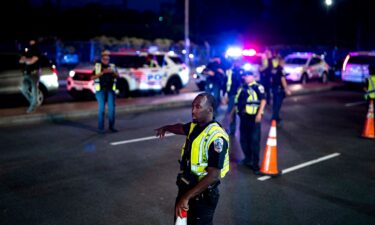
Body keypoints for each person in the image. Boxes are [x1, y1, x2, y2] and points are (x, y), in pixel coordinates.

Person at [155, 92, 230, 225]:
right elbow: (180, 127)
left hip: (203, 195)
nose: (193, 111)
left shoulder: (216, 137)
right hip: (188, 186)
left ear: (210, 110)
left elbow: (213, 175)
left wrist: (186, 197)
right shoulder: (196, 126)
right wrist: (166, 128)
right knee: (181, 222)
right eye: (192, 106)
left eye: (198, 107)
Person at [231, 71, 266, 174]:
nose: (245, 78)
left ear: (252, 76)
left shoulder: (257, 87)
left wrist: (259, 114)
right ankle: (247, 159)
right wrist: (232, 115)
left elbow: (263, 100)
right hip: (243, 118)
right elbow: (237, 103)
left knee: (254, 141)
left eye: (247, 76)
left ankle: (255, 165)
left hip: (253, 118)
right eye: (244, 76)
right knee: (243, 140)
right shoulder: (242, 88)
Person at [91, 50, 119, 133]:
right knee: (101, 109)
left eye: (108, 58)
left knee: (112, 109)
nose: (106, 60)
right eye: (104, 58)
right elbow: (92, 77)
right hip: (100, 90)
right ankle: (101, 128)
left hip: (111, 90)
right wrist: (103, 72)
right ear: (102, 58)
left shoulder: (112, 66)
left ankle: (111, 127)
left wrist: (113, 72)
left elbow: (118, 76)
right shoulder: (97, 66)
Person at [19, 39, 41, 113]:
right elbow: (21, 60)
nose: (30, 42)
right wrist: (27, 60)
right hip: (27, 74)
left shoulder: (37, 50)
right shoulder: (28, 51)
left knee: (34, 90)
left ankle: (32, 107)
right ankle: (34, 102)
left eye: (32, 41)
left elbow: (31, 61)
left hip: (34, 73)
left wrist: (26, 60)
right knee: (23, 89)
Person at [223, 59, 244, 135]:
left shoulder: (242, 71)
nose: (238, 63)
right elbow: (225, 84)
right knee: (231, 112)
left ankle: (242, 130)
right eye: (236, 62)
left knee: (243, 113)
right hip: (232, 94)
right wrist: (224, 95)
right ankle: (231, 129)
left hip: (242, 95)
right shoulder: (229, 72)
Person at [271, 57, 292, 123]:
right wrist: (287, 89)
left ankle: (275, 117)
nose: (284, 64)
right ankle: (275, 118)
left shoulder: (274, 69)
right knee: (278, 104)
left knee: (275, 104)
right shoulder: (281, 69)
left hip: (274, 88)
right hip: (279, 89)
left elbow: (271, 79)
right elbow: (283, 80)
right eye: (284, 62)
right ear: (281, 62)